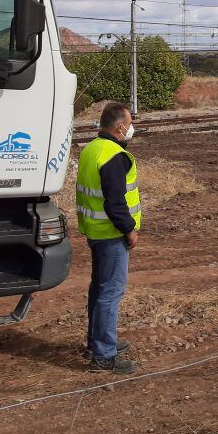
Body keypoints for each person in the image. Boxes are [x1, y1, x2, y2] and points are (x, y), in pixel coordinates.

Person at [76, 101, 142, 373]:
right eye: (129, 122)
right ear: (120, 127)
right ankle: (104, 354)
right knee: (110, 292)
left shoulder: (91, 149)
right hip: (112, 234)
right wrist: (129, 229)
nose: (131, 128)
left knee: (99, 288)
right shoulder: (114, 154)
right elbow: (115, 201)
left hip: (95, 231)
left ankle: (98, 341)